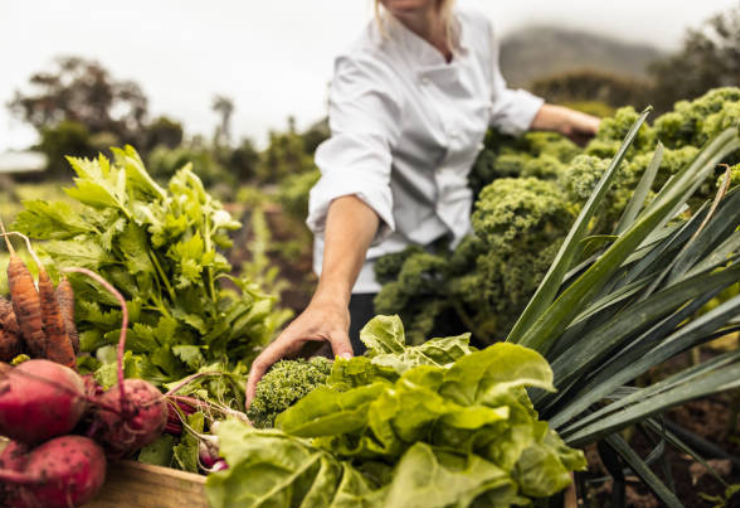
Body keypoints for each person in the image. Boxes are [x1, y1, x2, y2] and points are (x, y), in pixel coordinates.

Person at [246, 0, 600, 403]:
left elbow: (491, 98)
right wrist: (330, 296)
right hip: (375, 266)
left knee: (460, 401)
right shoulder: (365, 63)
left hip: (453, 246)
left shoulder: (476, 28)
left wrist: (567, 120)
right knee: (382, 408)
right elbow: (357, 169)